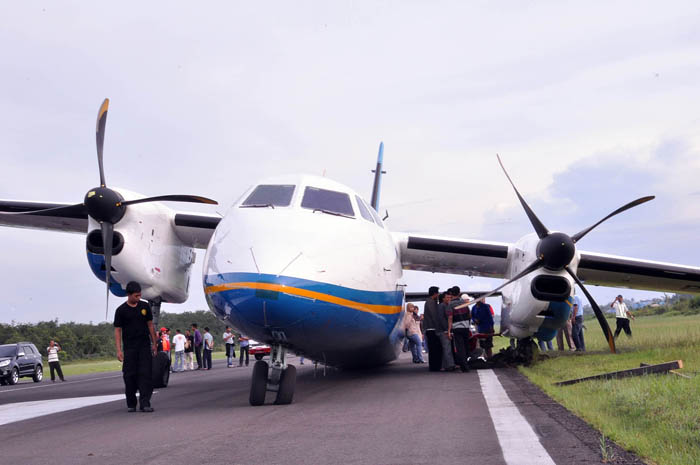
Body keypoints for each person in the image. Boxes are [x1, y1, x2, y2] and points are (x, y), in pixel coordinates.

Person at [114, 281, 157, 412]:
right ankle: (131, 403)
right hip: (130, 348)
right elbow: (117, 330)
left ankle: (145, 403)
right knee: (129, 375)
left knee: (145, 374)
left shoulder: (144, 307)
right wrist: (119, 350)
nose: (138, 298)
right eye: (136, 296)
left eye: (140, 295)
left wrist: (154, 343)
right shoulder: (121, 310)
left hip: (144, 346)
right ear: (129, 295)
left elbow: (150, 325)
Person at [446, 292, 472, 372]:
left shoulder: (450, 304)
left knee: (460, 348)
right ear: (459, 293)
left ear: (452, 294)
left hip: (456, 328)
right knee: (466, 346)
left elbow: (450, 318)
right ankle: (466, 363)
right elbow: (469, 315)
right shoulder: (464, 303)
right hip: (465, 327)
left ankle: (464, 367)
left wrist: (449, 330)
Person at [422, 286, 443, 371]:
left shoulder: (430, 302)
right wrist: (439, 327)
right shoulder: (431, 302)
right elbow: (434, 316)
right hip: (432, 329)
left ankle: (434, 366)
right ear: (435, 293)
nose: (438, 294)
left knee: (433, 349)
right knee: (434, 349)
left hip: (430, 328)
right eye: (437, 293)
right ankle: (435, 367)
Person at [437, 288, 457, 372]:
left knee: (446, 348)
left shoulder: (446, 305)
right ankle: (450, 365)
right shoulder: (442, 306)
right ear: (443, 298)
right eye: (447, 297)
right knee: (447, 348)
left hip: (445, 330)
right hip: (443, 330)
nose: (449, 299)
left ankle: (445, 365)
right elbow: (441, 319)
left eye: (450, 297)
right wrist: (446, 330)